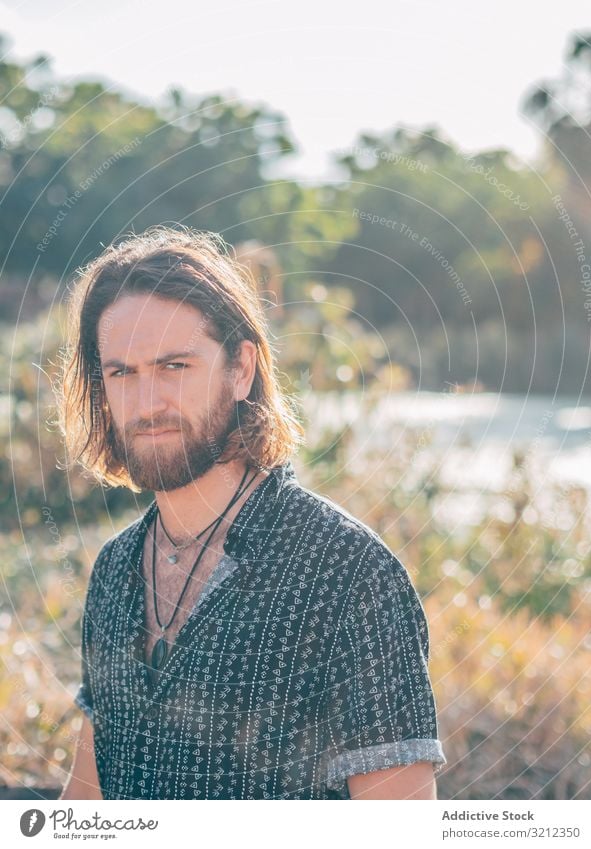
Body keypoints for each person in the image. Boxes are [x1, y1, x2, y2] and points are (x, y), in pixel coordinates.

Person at [57, 225, 447, 800]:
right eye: (122, 373)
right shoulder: (115, 572)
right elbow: (86, 805)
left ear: (241, 369)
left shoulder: (348, 575)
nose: (146, 402)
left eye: (174, 366)